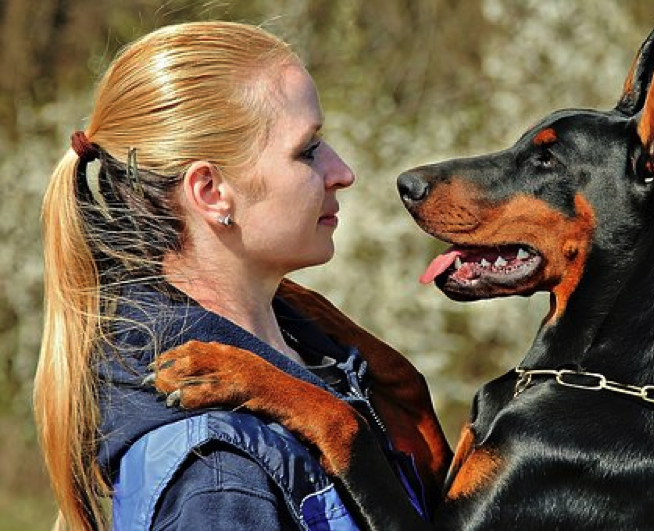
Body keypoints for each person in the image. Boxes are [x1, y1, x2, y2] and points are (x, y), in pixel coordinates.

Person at [33, 20, 447, 531]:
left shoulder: (319, 350)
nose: (343, 171)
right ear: (211, 192)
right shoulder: (219, 472)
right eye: (308, 149)